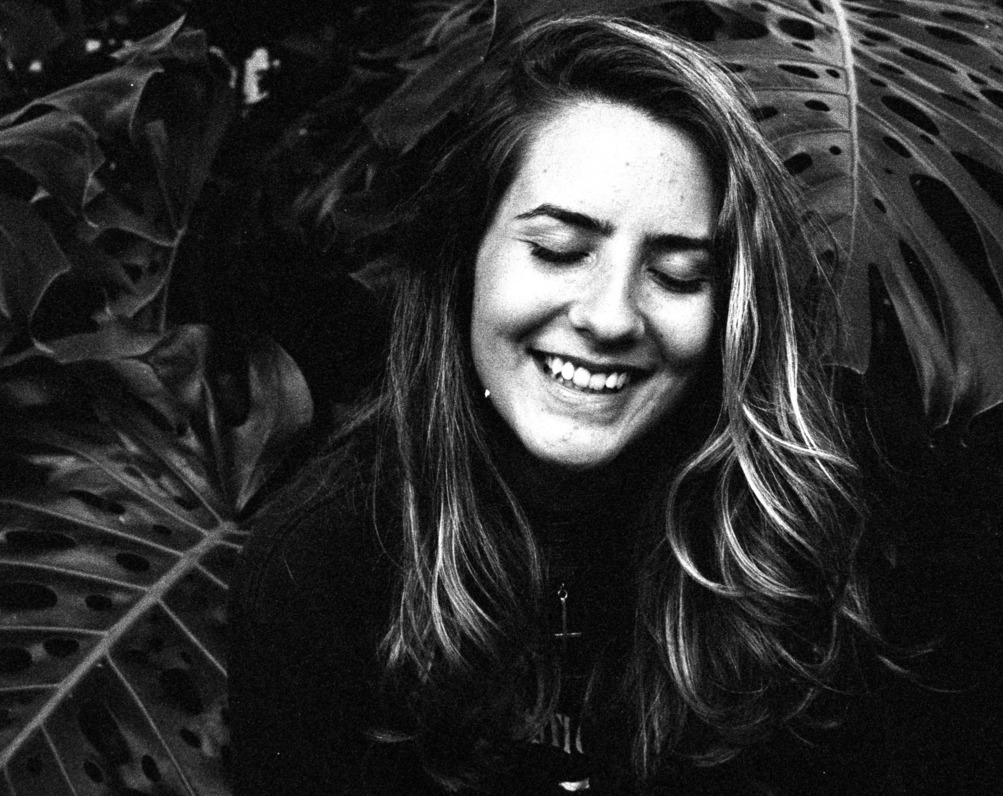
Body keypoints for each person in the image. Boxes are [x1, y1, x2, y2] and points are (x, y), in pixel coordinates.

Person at [230, 15, 884, 795]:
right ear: (461, 261)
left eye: (677, 274)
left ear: (733, 314)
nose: (611, 318)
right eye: (559, 251)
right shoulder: (319, 565)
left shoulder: (783, 552)